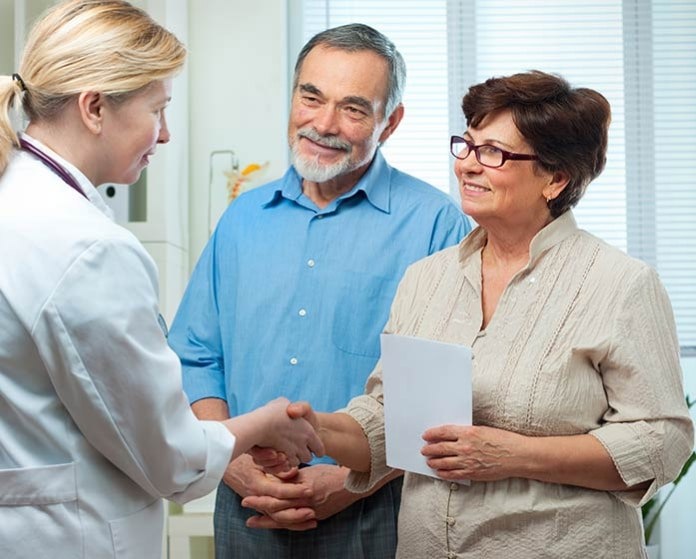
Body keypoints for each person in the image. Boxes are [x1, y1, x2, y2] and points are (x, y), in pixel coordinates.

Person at [278, 70, 695, 558]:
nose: (468, 167)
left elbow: (660, 441)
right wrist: (314, 429)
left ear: (556, 179)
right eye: (467, 146)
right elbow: (389, 417)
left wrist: (513, 455)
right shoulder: (425, 279)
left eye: (493, 153)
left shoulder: (621, 284)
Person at [0, 2, 322, 558]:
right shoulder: (86, 247)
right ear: (95, 107)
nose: (166, 134)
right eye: (158, 109)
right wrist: (262, 424)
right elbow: (173, 460)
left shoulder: (19, 203)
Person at [168, 23, 470, 559]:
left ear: (390, 121)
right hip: (244, 504)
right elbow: (195, 358)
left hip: (372, 509)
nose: (324, 124)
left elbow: (439, 399)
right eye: (311, 97)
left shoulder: (436, 225)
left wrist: (350, 481)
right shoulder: (241, 219)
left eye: (354, 109)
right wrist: (232, 463)